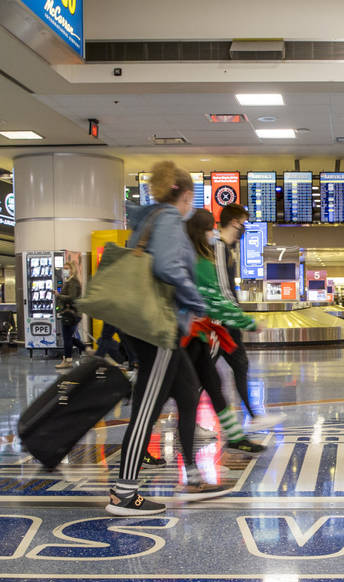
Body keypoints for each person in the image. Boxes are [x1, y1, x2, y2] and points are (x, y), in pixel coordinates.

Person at [111, 160, 231, 516]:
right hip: (159, 328)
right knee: (148, 405)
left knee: (188, 393)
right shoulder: (166, 220)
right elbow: (167, 267)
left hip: (161, 327)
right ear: (185, 194)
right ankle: (123, 492)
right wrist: (194, 300)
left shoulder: (150, 218)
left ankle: (192, 472)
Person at [184, 209, 269, 456]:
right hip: (188, 335)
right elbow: (218, 298)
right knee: (175, 393)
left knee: (213, 384)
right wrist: (247, 322)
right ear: (203, 232)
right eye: (211, 229)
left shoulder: (197, 257)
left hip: (199, 333)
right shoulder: (203, 261)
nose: (215, 233)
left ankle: (234, 437)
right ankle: (191, 471)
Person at [213, 203, 284, 431]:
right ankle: (252, 415)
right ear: (234, 222)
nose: (244, 228)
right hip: (220, 322)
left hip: (224, 320)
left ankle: (253, 414)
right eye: (243, 222)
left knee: (239, 365)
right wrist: (243, 320)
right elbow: (224, 290)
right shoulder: (219, 247)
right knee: (204, 372)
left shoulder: (226, 248)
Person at [55, 265, 85, 369]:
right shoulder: (70, 281)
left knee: (67, 338)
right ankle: (87, 349)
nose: (64, 270)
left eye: (67, 268)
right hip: (71, 313)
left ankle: (68, 360)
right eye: (64, 268)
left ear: (72, 269)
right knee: (69, 337)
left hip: (71, 314)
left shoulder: (73, 281)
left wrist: (58, 295)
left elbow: (71, 297)